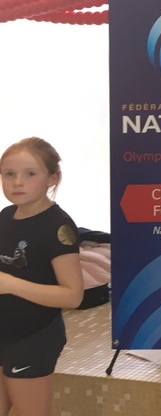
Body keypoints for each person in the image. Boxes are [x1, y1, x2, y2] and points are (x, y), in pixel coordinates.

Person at [0, 137, 84, 416]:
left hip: (33, 336)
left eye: (30, 174)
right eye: (9, 174)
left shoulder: (57, 226)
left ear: (52, 178)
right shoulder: (5, 217)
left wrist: (11, 285)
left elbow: (73, 295)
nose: (17, 182)